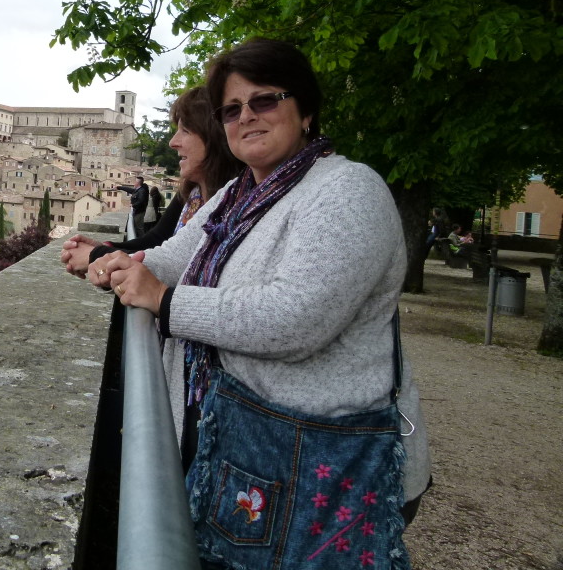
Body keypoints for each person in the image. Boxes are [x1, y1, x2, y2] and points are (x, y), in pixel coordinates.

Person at [100, 38, 431, 568]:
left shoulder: (348, 190)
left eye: (265, 100)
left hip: (323, 458)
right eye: (232, 109)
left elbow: (294, 319)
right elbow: (172, 257)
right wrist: (118, 263)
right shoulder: (239, 195)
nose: (246, 117)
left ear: (306, 109)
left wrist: (164, 301)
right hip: (248, 457)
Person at [60, 86, 237, 278]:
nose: (172, 142)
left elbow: (180, 264)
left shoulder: (233, 201)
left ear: (215, 138)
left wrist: (96, 256)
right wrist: (105, 248)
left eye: (185, 130)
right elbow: (156, 241)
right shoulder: (191, 191)